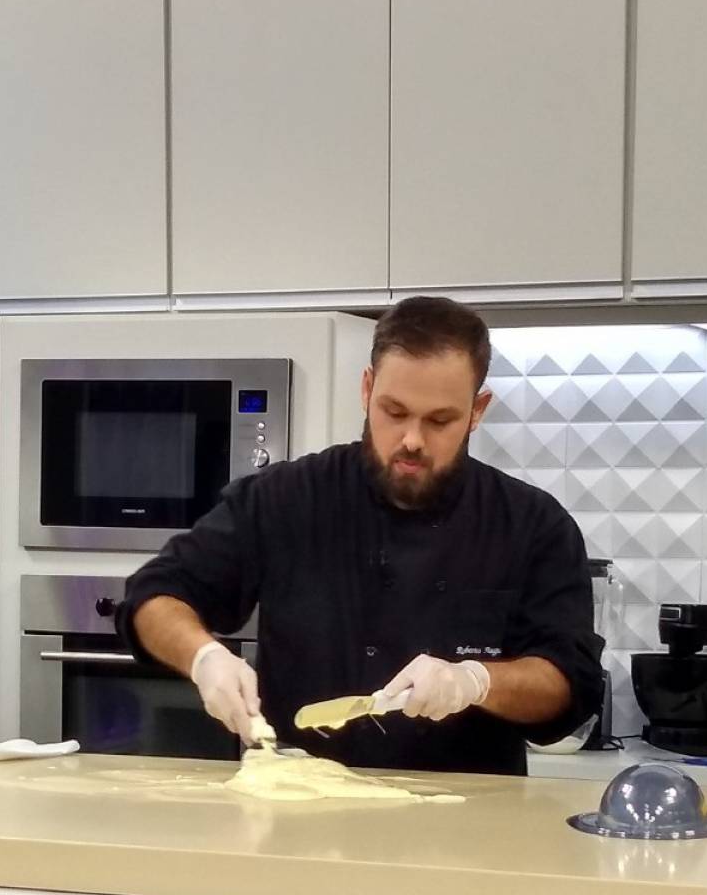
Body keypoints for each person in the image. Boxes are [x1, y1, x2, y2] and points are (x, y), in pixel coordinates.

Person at [118, 296, 603, 776]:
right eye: (394, 411)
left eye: (440, 420)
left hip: (468, 812)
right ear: (367, 389)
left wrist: (475, 682)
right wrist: (204, 658)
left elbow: (570, 685)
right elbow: (154, 596)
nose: (412, 439)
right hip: (297, 804)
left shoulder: (533, 524)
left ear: (477, 410)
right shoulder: (286, 498)